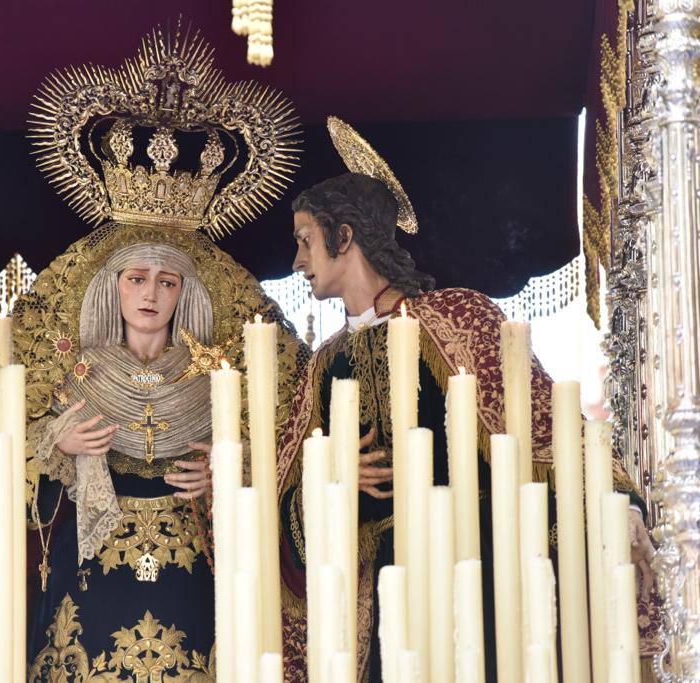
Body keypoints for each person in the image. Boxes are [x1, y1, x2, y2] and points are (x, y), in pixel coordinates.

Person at [0, 25, 307, 682]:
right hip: (85, 600)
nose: (150, 294)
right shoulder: (68, 370)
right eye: (136, 279)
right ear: (111, 288)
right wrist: (51, 450)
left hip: (197, 601)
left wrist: (234, 479)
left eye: (166, 281)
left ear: (186, 293)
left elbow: (290, 471)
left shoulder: (219, 382)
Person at [276, 117, 655, 681]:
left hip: (475, 575)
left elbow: (546, 426)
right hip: (376, 600)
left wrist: (614, 501)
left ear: (346, 236)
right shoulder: (325, 363)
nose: (298, 262)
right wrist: (325, 482)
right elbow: (283, 500)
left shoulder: (458, 318)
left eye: (306, 241)